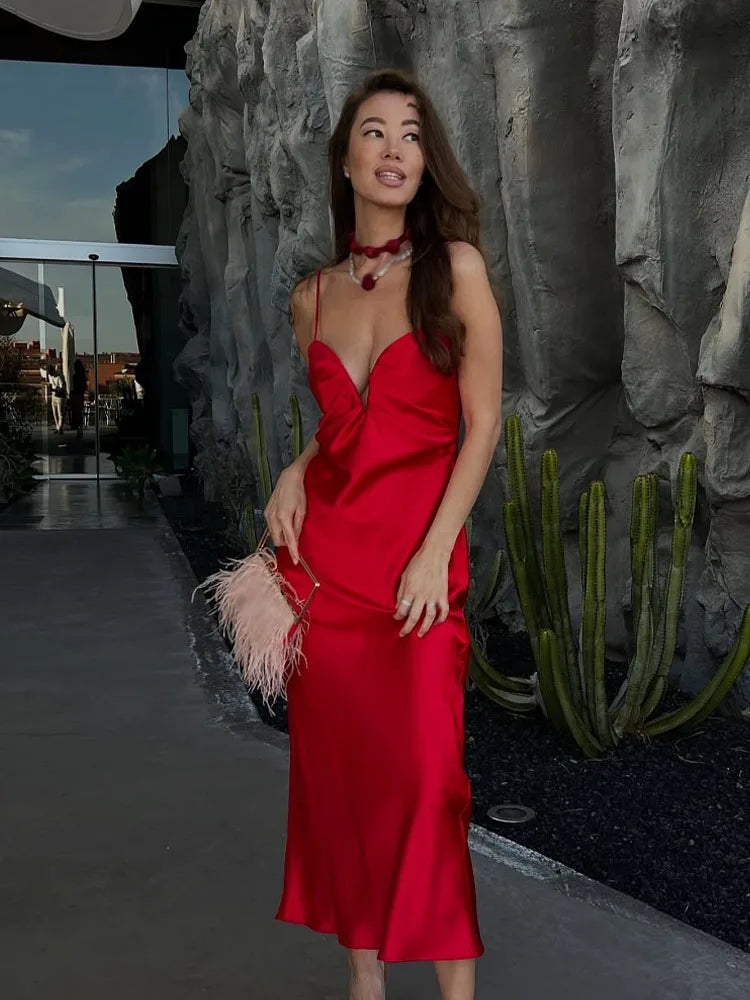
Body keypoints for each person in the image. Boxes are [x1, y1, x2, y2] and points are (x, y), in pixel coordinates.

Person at [266, 69, 503, 1000]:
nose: (396, 149)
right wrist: (294, 469)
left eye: (412, 134)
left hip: (416, 571)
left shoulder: (459, 271)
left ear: (427, 159)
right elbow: (343, 426)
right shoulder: (310, 299)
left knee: (429, 786)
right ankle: (364, 983)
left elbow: (479, 422)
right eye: (375, 132)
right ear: (347, 160)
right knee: (342, 783)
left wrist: (438, 549)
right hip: (325, 574)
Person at [69, 359, 88, 439]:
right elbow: (85, 387)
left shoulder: (75, 376)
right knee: (79, 413)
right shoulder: (83, 376)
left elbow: (74, 387)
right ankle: (80, 428)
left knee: (76, 413)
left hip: (76, 396)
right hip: (80, 396)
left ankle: (77, 427)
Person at [47, 364, 66, 434]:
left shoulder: (59, 376)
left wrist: (54, 390)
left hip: (60, 396)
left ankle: (60, 427)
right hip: (54, 396)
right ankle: (57, 427)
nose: (51, 375)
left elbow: (62, 388)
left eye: (51, 373)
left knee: (60, 413)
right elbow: (51, 384)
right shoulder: (50, 376)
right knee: (55, 413)